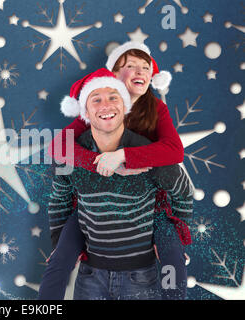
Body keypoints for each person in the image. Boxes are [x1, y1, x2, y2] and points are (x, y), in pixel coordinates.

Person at [38, 42, 192, 300]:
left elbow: (174, 152)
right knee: (61, 258)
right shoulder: (96, 106)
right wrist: (99, 162)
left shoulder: (156, 109)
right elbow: (58, 147)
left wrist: (124, 157)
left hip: (151, 205)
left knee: (172, 255)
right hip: (95, 206)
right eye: (130, 66)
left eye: (146, 67)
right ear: (112, 74)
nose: (140, 71)